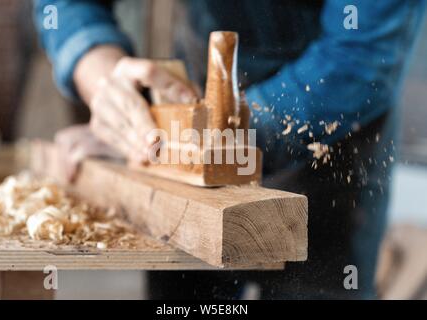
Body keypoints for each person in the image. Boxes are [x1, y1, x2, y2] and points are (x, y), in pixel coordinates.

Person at [35, 0, 426, 299]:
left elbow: (361, 55)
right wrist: (107, 86)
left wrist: (214, 137)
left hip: (334, 138)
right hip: (193, 126)